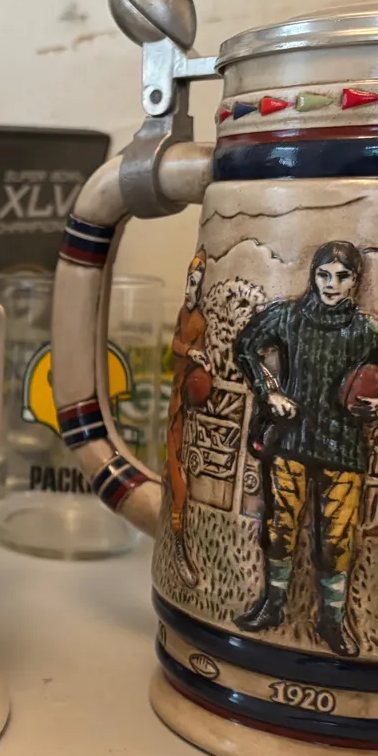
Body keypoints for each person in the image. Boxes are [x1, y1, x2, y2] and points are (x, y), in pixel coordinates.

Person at [232, 241, 378, 656]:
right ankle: (273, 606)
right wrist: (269, 391)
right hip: (291, 441)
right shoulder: (288, 317)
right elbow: (245, 345)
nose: (331, 284)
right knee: (278, 529)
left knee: (336, 540)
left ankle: (332, 621)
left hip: (343, 450)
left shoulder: (369, 332)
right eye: (323, 274)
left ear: (355, 281)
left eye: (341, 276)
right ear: (313, 275)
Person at [164, 251, 209, 586]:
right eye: (189, 282)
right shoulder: (184, 313)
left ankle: (184, 544)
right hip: (178, 407)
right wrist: (189, 352)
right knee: (175, 476)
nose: (190, 288)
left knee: (185, 478)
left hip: (193, 403)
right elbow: (175, 345)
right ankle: (178, 545)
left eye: (196, 283)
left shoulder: (201, 321)